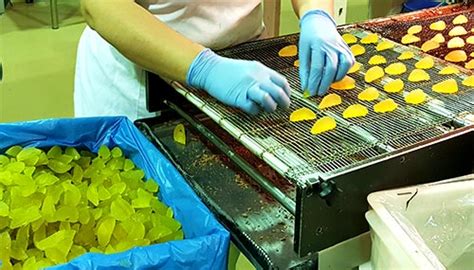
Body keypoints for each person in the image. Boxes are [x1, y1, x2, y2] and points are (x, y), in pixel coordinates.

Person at [75, 0, 354, 121]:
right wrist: (205, 68)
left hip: (245, 65)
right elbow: (103, 6)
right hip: (144, 74)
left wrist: (316, 14)